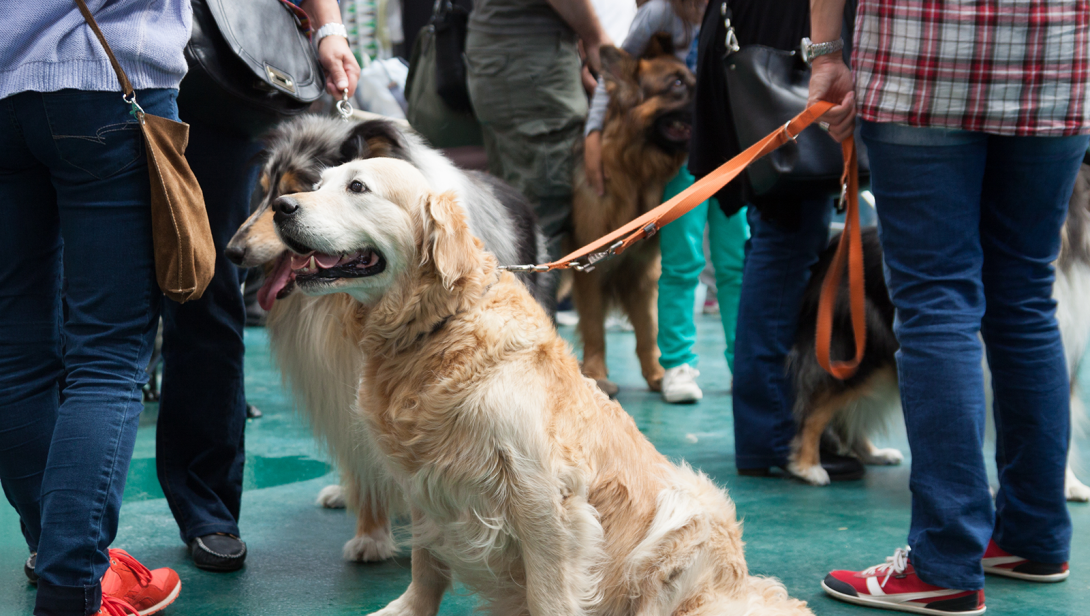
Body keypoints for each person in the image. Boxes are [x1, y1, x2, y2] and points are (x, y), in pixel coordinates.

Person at [809, 1, 1089, 613]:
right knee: (1024, 296)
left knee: (937, 300)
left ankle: (944, 560)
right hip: (1058, 59)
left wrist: (827, 52)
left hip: (923, 55)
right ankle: (1033, 537)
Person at [0, 2, 189, 615]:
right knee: (107, 358)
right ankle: (74, 587)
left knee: (14, 350)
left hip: (2, 94)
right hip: (111, 81)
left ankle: (62, 556)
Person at [159, 0, 361, 573]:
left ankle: (208, 510)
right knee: (86, 318)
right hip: (71, 74)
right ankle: (63, 530)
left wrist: (328, 29)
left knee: (208, 291)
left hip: (210, 78)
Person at [689, 0, 865, 479]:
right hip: (784, 41)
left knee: (781, 243)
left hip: (762, 40)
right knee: (785, 243)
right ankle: (770, 434)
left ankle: (774, 425)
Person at [584, 0, 747, 404]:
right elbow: (619, 74)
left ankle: (743, 364)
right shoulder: (662, 12)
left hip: (734, 142)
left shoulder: (744, 6)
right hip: (683, 154)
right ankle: (677, 363)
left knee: (735, 261)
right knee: (681, 260)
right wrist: (593, 132)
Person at [464, 0, 612, 314]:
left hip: (503, 55)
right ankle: (533, 344)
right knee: (541, 213)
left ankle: (512, 334)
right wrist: (596, 39)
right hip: (530, 64)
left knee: (511, 208)